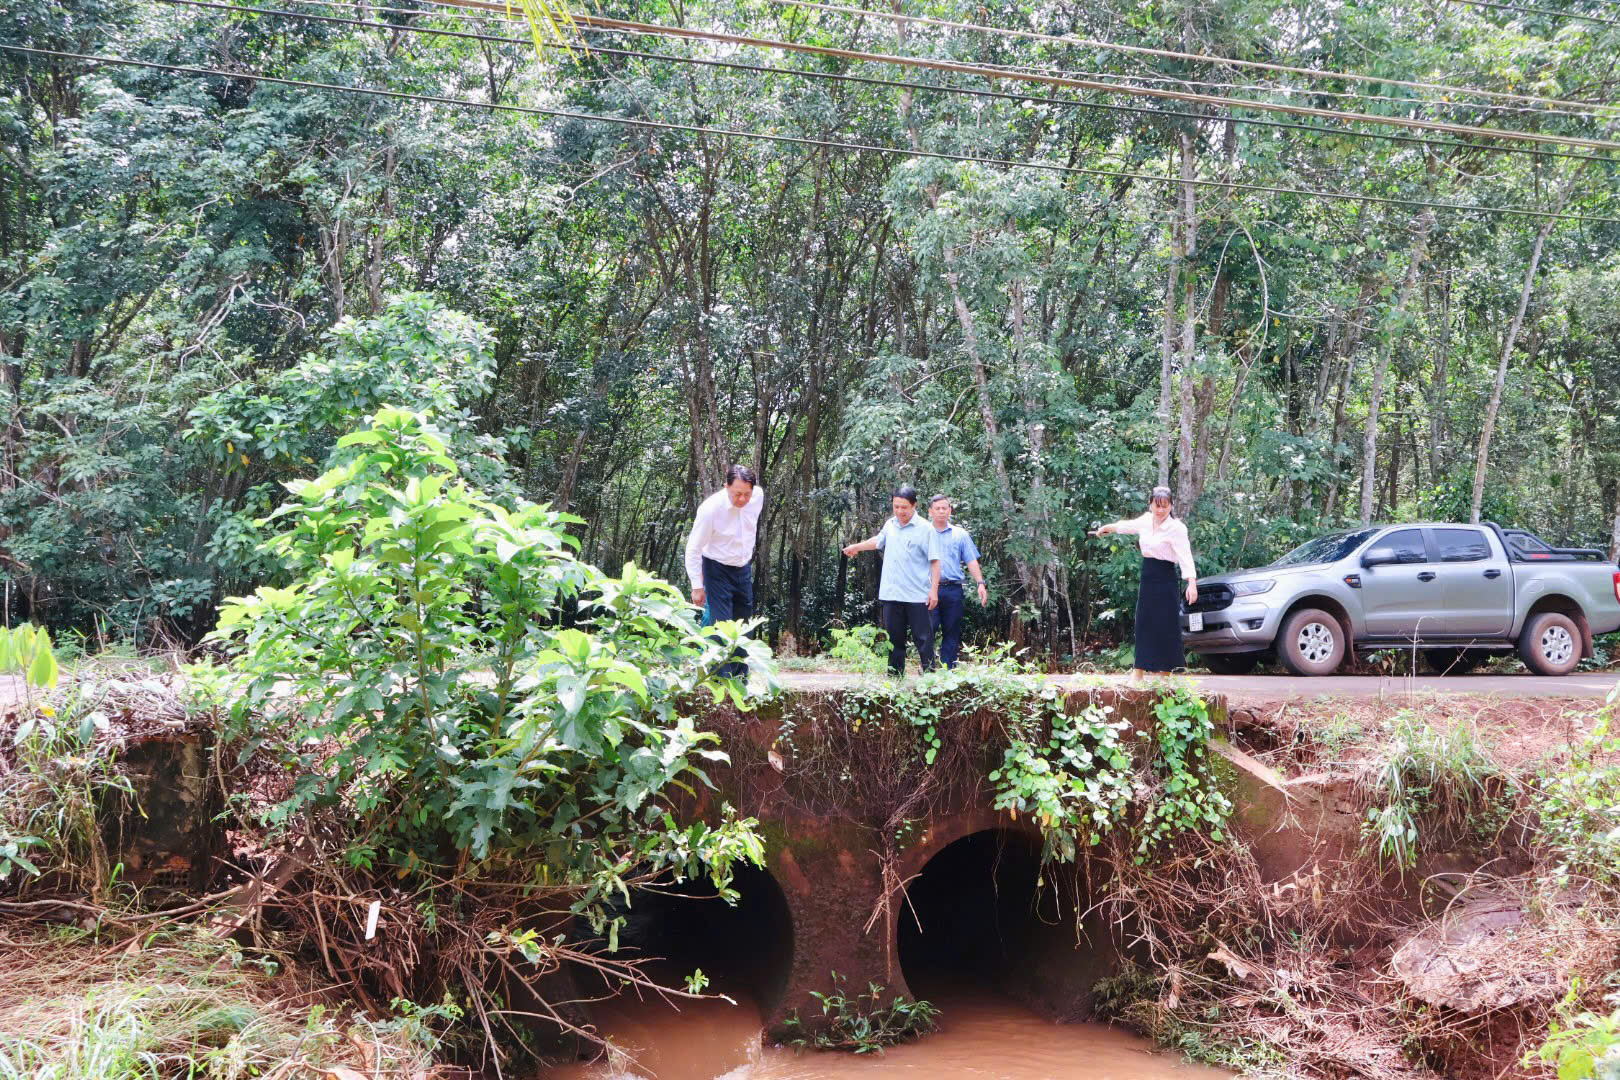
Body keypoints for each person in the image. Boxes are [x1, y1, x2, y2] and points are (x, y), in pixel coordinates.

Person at [1091, 485, 1199, 683]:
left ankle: (1165, 675)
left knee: (1166, 624)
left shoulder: (1177, 528)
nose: (1160, 510)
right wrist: (1107, 528)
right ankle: (1138, 672)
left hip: (1166, 578)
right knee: (1144, 622)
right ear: (1150, 505)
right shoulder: (1146, 520)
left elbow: (1185, 556)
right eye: (1157, 506)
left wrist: (1191, 583)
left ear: (1171, 506)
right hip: (1148, 575)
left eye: (1165, 506)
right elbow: (1127, 526)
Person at [842, 486, 942, 677]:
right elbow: (878, 541)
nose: (899, 511)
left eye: (904, 507)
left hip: (917, 595)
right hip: (891, 593)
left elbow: (935, 561)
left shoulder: (926, 529)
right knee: (894, 639)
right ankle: (895, 678)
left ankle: (930, 678)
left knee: (923, 639)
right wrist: (857, 547)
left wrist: (934, 590)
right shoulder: (890, 524)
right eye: (896, 507)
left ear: (914, 506)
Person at [685, 465, 764, 673]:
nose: (742, 499)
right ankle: (721, 679)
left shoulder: (758, 497)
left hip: (743, 568)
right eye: (737, 494)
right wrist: (696, 586)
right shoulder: (711, 509)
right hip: (716, 569)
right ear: (726, 486)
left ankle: (739, 679)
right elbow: (693, 548)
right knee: (721, 625)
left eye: (747, 494)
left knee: (743, 627)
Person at [926, 494, 988, 668]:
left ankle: (948, 670)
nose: (941, 511)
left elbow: (971, 560)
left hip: (953, 589)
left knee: (952, 630)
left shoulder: (960, 535)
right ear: (930, 511)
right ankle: (927, 668)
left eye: (944, 508)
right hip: (928, 589)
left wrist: (980, 583)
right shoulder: (923, 533)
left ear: (950, 510)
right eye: (937, 508)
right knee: (928, 629)